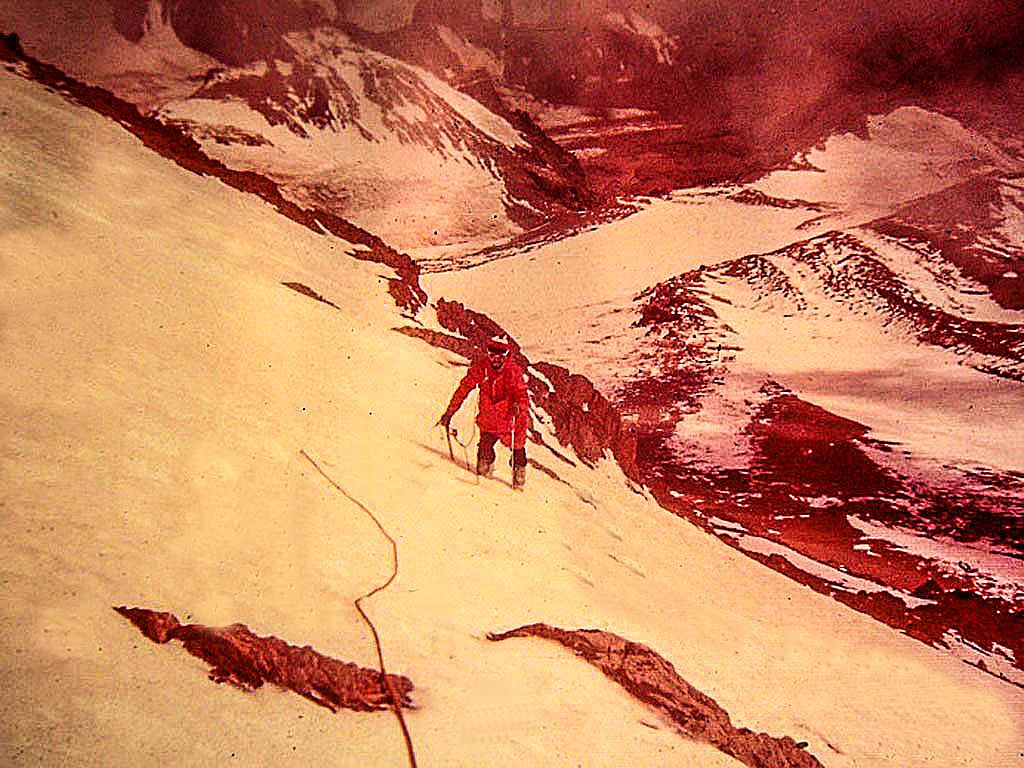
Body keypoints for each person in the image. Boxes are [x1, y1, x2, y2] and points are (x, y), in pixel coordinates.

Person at [438, 335, 530, 488]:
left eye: (500, 356)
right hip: (489, 419)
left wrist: (519, 407)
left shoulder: (513, 372)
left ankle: (518, 475)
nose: (496, 359)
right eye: (492, 354)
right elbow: (463, 389)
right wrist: (450, 412)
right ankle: (485, 484)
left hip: (511, 420)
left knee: (518, 450)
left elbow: (522, 394)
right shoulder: (481, 368)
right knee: (484, 450)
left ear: (506, 355)